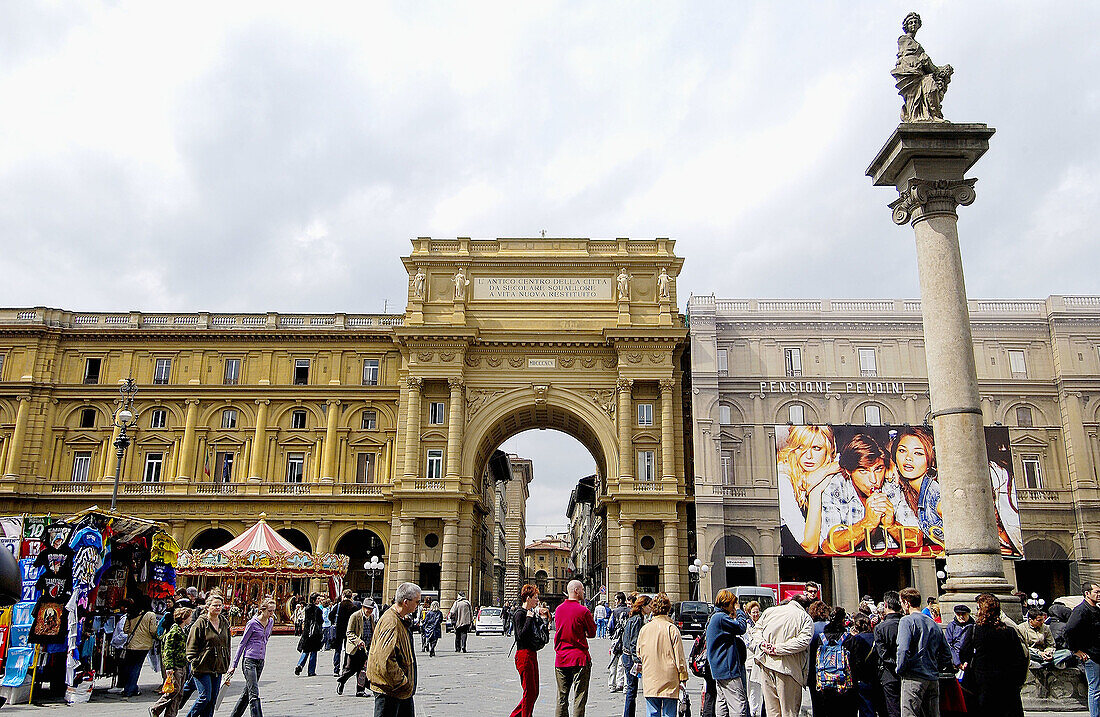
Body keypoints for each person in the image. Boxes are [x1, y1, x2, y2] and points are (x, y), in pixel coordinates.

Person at [819, 434, 915, 555]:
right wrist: (868, 523)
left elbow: (918, 540)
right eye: (863, 470)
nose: (873, 480)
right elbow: (828, 547)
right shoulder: (836, 487)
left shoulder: (891, 486)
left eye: (878, 469)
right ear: (848, 471)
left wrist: (892, 526)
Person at [959, 593, 1028, 717]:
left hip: (981, 683)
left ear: (981, 611)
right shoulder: (1009, 632)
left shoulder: (974, 630)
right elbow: (1020, 658)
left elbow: (964, 653)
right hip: (1006, 685)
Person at [776, 425, 841, 555]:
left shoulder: (830, 465)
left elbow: (851, 458)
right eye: (801, 447)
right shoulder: (782, 478)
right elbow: (810, 546)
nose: (809, 456)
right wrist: (815, 491)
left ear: (830, 449)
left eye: (816, 448)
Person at [749, 594, 814, 717]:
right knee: (789, 711)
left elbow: (756, 631)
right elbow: (803, 642)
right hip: (788, 669)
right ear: (806, 607)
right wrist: (777, 649)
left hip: (766, 664)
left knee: (772, 711)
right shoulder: (805, 617)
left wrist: (763, 644)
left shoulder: (770, 611)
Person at [366, 582, 421, 717]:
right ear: (406, 602)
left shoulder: (399, 619)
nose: (418, 605)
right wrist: (403, 682)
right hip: (390, 690)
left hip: (399, 691)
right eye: (417, 602)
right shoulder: (391, 622)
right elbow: (384, 659)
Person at [895, 587, 952, 717]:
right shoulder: (934, 624)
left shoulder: (907, 621)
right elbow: (947, 653)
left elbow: (903, 649)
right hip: (932, 677)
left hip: (913, 677)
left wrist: (900, 669)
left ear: (906, 603)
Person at [891, 11, 953, 122]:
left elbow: (924, 60)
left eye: (915, 22)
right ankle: (919, 116)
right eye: (911, 23)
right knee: (922, 93)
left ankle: (932, 115)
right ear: (906, 26)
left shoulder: (916, 43)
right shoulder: (904, 39)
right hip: (911, 73)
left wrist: (938, 69)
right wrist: (923, 62)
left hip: (920, 73)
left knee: (932, 87)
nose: (913, 24)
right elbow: (909, 56)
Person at [887, 427, 943, 547]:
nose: (908, 458)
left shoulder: (936, 497)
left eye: (918, 453)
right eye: (902, 451)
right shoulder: (909, 490)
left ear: (931, 460)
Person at [636, 593, 690, 717]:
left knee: (652, 712)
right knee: (669, 713)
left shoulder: (645, 629)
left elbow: (639, 652)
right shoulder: (672, 629)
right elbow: (680, 657)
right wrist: (683, 676)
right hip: (669, 677)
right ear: (668, 609)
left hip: (650, 675)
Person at [554, 579, 597, 717]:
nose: (584, 592)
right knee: (579, 698)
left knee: (561, 698)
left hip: (561, 658)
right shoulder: (583, 611)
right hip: (579, 659)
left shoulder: (558, 609)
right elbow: (592, 633)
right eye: (583, 589)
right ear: (576, 591)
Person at [185, 593, 231, 717]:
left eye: (220, 605)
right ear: (208, 606)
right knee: (205, 696)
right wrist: (194, 661)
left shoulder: (224, 622)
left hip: (218, 666)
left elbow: (227, 643)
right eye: (215, 605)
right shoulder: (200, 623)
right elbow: (191, 644)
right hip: (202, 666)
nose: (218, 608)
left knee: (212, 699)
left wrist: (227, 660)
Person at [228, 597, 275, 717]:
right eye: (270, 611)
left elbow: (266, 639)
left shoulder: (270, 622)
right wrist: (234, 665)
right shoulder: (252, 623)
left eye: (273, 611)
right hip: (249, 660)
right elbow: (242, 644)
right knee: (254, 692)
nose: (272, 614)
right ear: (262, 610)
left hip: (261, 660)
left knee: (247, 692)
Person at [705, 589, 749, 717]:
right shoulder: (721, 618)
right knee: (738, 704)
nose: (734, 606)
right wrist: (740, 611)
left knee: (722, 702)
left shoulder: (715, 616)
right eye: (733, 604)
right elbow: (741, 627)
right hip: (727, 668)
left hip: (719, 668)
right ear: (726, 603)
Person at [809, 607, 857, 717]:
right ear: (843, 621)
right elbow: (854, 662)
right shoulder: (848, 638)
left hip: (825, 684)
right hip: (843, 685)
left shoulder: (821, 638)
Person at [510, 584, 549, 717]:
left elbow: (540, 634)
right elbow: (520, 635)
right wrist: (529, 618)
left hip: (532, 654)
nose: (537, 600)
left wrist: (542, 619)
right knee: (529, 691)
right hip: (523, 655)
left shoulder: (531, 613)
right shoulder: (520, 614)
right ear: (528, 598)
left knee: (534, 691)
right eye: (535, 597)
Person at [1064, 581, 1100, 717]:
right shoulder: (1081, 610)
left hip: (1098, 652)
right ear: (1087, 593)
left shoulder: (1096, 609)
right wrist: (1075, 650)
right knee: (1095, 689)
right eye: (1096, 592)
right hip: (1091, 656)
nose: (1099, 594)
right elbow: (1069, 630)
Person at [150, 607, 193, 717]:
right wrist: (169, 667)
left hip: (182, 664)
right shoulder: (174, 631)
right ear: (184, 618)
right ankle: (156, 708)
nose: (191, 619)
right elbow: (167, 650)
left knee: (179, 693)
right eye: (189, 616)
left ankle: (171, 714)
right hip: (175, 666)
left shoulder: (183, 630)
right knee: (174, 690)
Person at [873, 591, 904, 717]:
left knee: (893, 709)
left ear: (885, 604)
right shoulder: (907, 623)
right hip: (909, 672)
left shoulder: (880, 628)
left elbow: (883, 654)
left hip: (889, 674)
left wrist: (895, 665)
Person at [120, 599, 159, 697]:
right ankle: (130, 689)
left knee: (129, 666)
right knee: (136, 667)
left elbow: (125, 629)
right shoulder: (151, 615)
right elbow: (153, 630)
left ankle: (129, 688)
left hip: (131, 644)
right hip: (143, 645)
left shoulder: (131, 614)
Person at [338, 598, 376, 695]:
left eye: (371, 609)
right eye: (368, 609)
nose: (370, 611)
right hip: (355, 648)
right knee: (350, 669)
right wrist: (358, 641)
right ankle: (342, 681)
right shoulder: (355, 616)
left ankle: (360, 690)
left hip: (365, 648)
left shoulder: (371, 617)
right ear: (363, 607)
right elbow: (349, 633)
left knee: (362, 670)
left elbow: (373, 631)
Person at [622, 595, 652, 717]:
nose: (651, 608)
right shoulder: (637, 619)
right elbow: (634, 642)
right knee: (631, 690)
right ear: (643, 606)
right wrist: (637, 661)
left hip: (626, 656)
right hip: (630, 658)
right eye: (649, 606)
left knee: (631, 689)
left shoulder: (634, 618)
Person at [848, 614, 880, 717]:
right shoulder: (875, 637)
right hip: (875, 676)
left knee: (865, 708)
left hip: (861, 678)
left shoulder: (856, 639)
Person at [743, 601, 765, 717]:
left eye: (757, 612)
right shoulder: (747, 626)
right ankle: (751, 711)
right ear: (749, 613)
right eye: (753, 612)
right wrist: (760, 645)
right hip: (750, 661)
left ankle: (756, 710)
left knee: (759, 688)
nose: (756, 615)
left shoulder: (762, 624)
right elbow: (748, 642)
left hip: (760, 661)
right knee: (751, 688)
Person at [295, 592, 324, 676]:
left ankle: (300, 664)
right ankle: (311, 671)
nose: (319, 600)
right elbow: (320, 621)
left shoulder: (307, 608)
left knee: (306, 650)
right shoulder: (318, 610)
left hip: (307, 632)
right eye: (318, 598)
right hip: (315, 634)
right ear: (314, 600)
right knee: (313, 652)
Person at [607, 592, 630, 693]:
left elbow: (610, 626)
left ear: (620, 600)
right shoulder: (630, 611)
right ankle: (625, 686)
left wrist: (612, 637)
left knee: (613, 664)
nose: (615, 602)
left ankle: (612, 685)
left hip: (616, 641)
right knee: (625, 665)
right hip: (626, 641)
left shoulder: (615, 611)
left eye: (616, 600)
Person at [331, 589, 356, 676]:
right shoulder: (353, 607)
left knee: (337, 650)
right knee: (347, 650)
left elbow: (330, 616)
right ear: (351, 596)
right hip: (349, 631)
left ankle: (336, 669)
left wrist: (335, 621)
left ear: (343, 595)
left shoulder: (338, 606)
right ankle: (345, 668)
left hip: (339, 630)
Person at [943, 605, 973, 670]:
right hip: (955, 661)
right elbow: (949, 645)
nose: (961, 617)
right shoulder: (951, 626)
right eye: (958, 614)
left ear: (968, 614)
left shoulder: (973, 626)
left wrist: (967, 661)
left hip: (969, 661)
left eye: (963, 614)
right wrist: (957, 663)